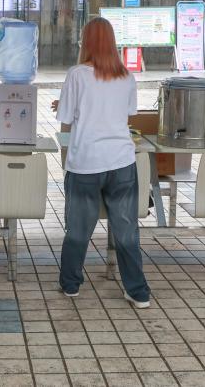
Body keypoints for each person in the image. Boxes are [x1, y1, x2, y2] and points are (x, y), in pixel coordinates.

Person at [54, 17, 151, 308]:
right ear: (112, 42)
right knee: (126, 230)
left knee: (78, 229)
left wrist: (66, 106)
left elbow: (65, 118)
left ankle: (71, 284)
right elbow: (128, 112)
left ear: (85, 41)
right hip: (121, 161)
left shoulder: (77, 74)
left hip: (85, 162)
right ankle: (137, 291)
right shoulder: (126, 76)